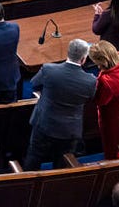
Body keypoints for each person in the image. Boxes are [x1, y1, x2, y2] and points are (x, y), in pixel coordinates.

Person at [23, 38, 96, 171]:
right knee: (61, 164)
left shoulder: (48, 69)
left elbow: (34, 84)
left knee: (34, 156)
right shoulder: (91, 81)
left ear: (68, 53)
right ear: (84, 59)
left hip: (44, 124)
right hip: (68, 132)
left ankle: (27, 183)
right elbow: (91, 98)